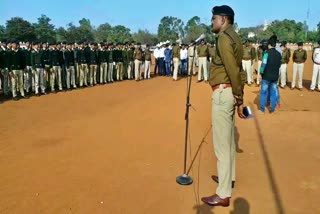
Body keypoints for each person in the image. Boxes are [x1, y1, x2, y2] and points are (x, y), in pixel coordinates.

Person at [201, 5, 246, 207]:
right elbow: (238, 69)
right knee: (228, 142)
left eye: (214, 19)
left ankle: (223, 193)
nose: (212, 22)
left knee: (221, 145)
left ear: (223, 19)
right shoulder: (234, 37)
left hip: (223, 91)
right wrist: (239, 97)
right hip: (230, 91)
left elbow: (230, 67)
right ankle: (228, 178)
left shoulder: (223, 38)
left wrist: (238, 94)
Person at [258, 35, 282, 113]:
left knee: (263, 92)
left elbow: (263, 65)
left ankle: (262, 109)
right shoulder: (279, 54)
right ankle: (272, 109)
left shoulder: (266, 53)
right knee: (273, 92)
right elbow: (279, 65)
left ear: (269, 45)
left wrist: (260, 74)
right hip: (275, 76)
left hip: (266, 77)